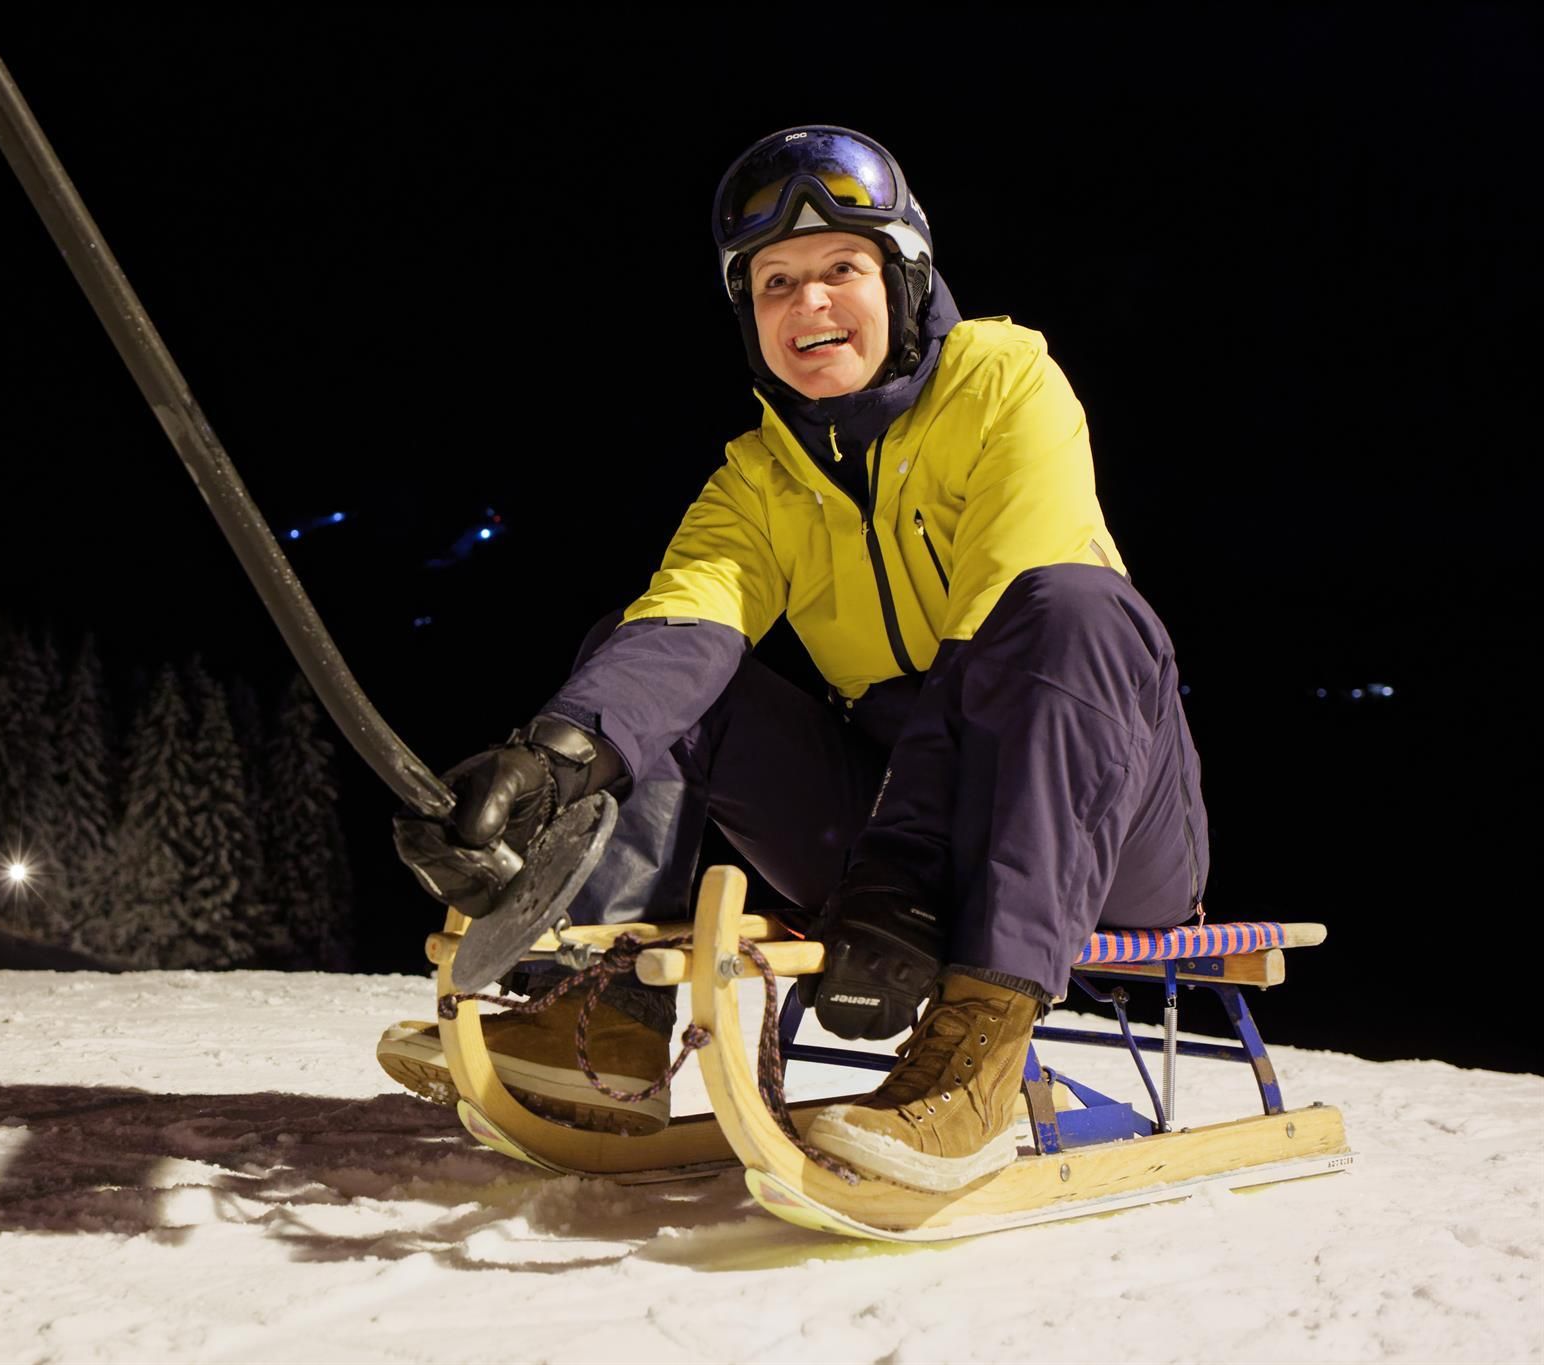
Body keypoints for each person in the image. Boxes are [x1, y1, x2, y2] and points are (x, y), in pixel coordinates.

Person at [382, 126, 1208, 1193]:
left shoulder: (1006, 384)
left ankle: (975, 1062)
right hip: (891, 828)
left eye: (840, 269)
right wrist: (551, 759)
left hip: (1105, 827)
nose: (808, 302)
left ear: (904, 279)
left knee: (1072, 607)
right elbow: (679, 631)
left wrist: (900, 873)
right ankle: (608, 1023)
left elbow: (1004, 646)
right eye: (774, 282)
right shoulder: (758, 479)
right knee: (647, 663)